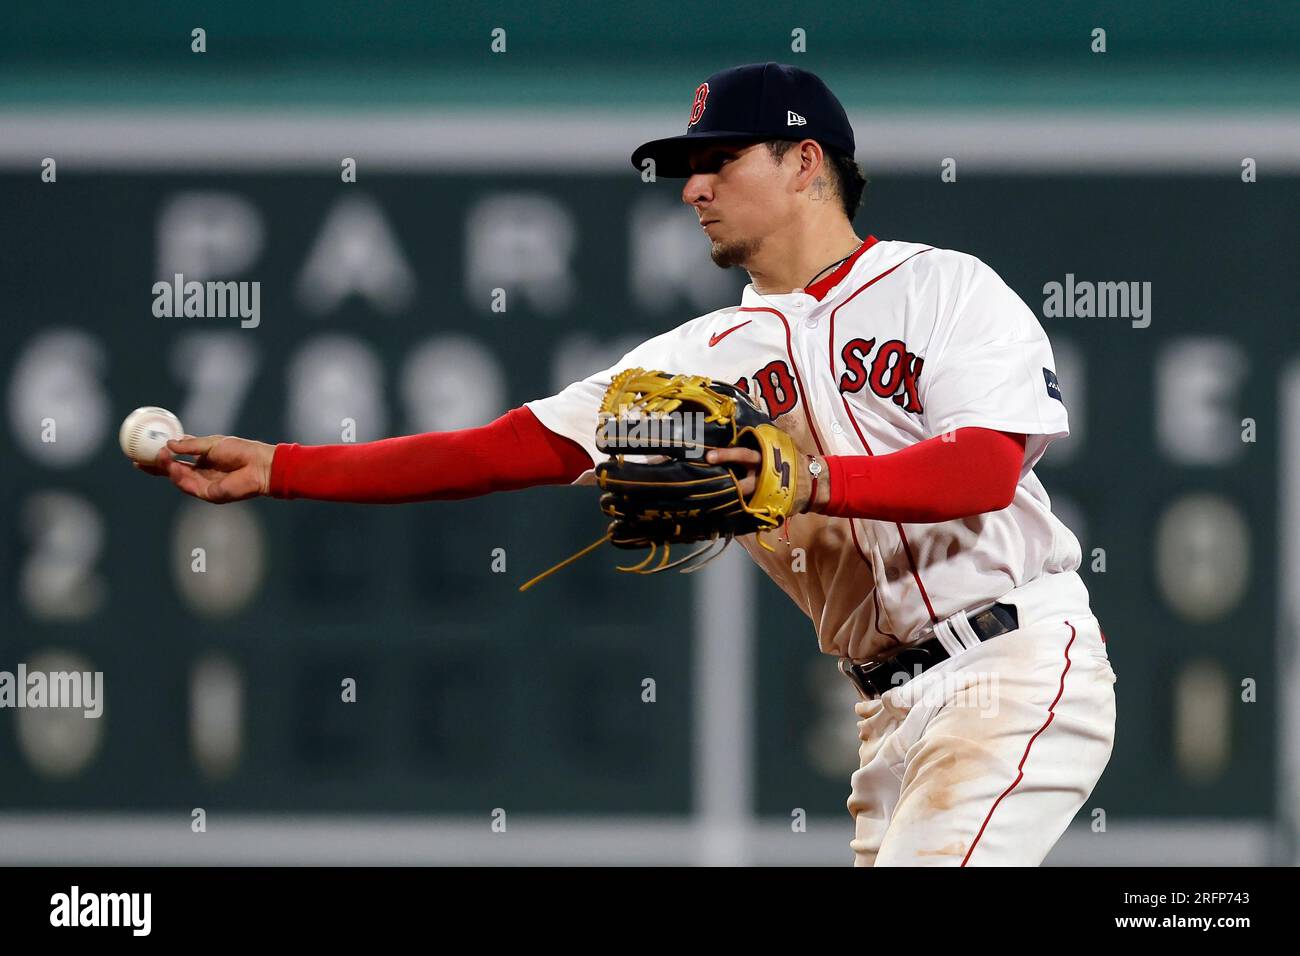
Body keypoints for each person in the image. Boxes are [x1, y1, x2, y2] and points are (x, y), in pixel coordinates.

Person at [141, 62, 1116, 866]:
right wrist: (282, 466)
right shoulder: (694, 361)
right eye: (685, 169)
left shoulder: (940, 288)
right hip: (885, 708)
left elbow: (983, 470)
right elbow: (504, 449)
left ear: (805, 161)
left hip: (1011, 664)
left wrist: (812, 480)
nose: (691, 188)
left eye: (717, 161)